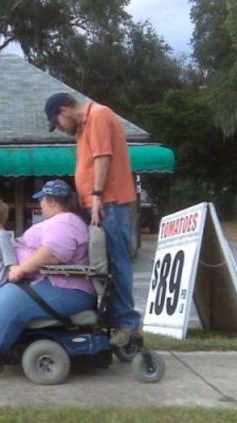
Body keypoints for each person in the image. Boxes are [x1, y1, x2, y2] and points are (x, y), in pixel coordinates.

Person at [0, 180, 95, 370]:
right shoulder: (59, 222)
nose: (40, 204)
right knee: (5, 297)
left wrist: (20, 269)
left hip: (66, 288)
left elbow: (52, 254)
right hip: (54, 284)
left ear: (52, 201)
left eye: (42, 200)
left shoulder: (65, 222)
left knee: (8, 301)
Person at [44, 92, 140, 346]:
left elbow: (102, 157)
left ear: (65, 110)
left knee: (117, 261)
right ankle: (113, 316)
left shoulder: (98, 115)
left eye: (58, 122)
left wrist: (96, 195)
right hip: (98, 203)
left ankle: (127, 322)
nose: (61, 129)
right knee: (102, 262)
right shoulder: (83, 127)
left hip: (110, 202)